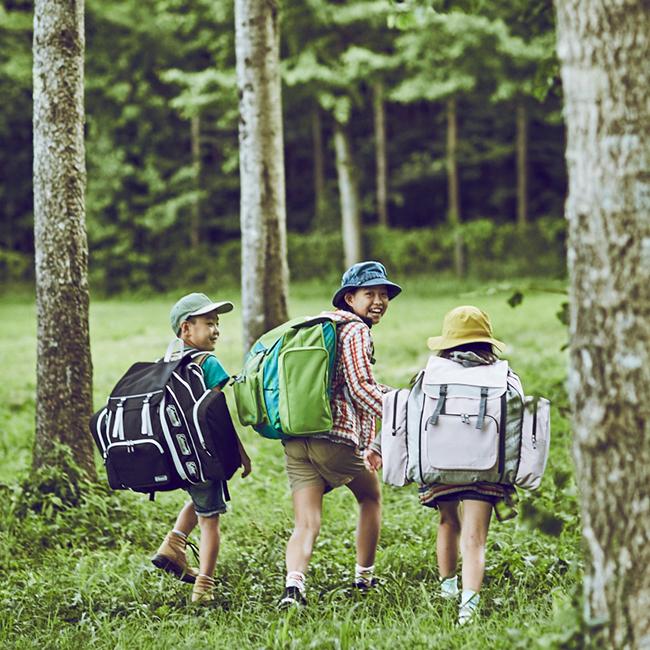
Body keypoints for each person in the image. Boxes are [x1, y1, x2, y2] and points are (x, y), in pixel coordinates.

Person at [365, 305, 517, 625]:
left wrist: (378, 445)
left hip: (439, 466)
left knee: (448, 523)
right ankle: (469, 606)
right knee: (475, 536)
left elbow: (406, 414)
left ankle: (448, 586)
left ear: (446, 344)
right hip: (485, 466)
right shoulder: (503, 375)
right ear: (487, 342)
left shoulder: (430, 375)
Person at [278, 261, 402, 609]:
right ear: (350, 297)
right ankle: (364, 578)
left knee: (306, 521)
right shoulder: (356, 331)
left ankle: (294, 588)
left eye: (384, 295)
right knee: (370, 497)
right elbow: (361, 388)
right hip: (334, 438)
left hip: (298, 437)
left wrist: (385, 400)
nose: (378, 301)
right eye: (370, 294)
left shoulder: (321, 325)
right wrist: (402, 413)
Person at [151, 292, 252, 603]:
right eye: (209, 323)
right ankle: (204, 586)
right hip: (205, 454)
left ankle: (174, 543)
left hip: (179, 456)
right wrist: (240, 453)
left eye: (217, 323)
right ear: (186, 329)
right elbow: (218, 417)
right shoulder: (208, 363)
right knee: (211, 522)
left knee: (201, 499)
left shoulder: (166, 363)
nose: (216, 330)